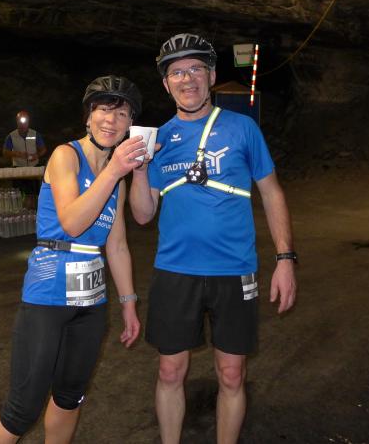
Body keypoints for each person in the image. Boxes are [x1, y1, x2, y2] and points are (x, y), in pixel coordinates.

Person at [128, 33, 298, 444]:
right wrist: (139, 169)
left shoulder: (243, 128)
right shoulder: (157, 140)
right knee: (170, 371)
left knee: (232, 373)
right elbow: (143, 214)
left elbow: (271, 192)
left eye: (196, 69)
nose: (187, 79)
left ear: (211, 76)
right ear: (166, 84)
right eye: (177, 72)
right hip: (175, 270)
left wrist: (285, 259)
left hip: (234, 269)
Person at [0, 76, 146, 444]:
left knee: (70, 398)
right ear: (88, 116)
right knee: (22, 410)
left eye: (122, 113)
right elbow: (71, 222)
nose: (111, 120)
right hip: (48, 297)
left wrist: (129, 304)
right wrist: (114, 171)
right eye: (103, 109)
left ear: (130, 125)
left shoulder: (116, 181)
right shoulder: (65, 156)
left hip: (91, 303)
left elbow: (117, 246)